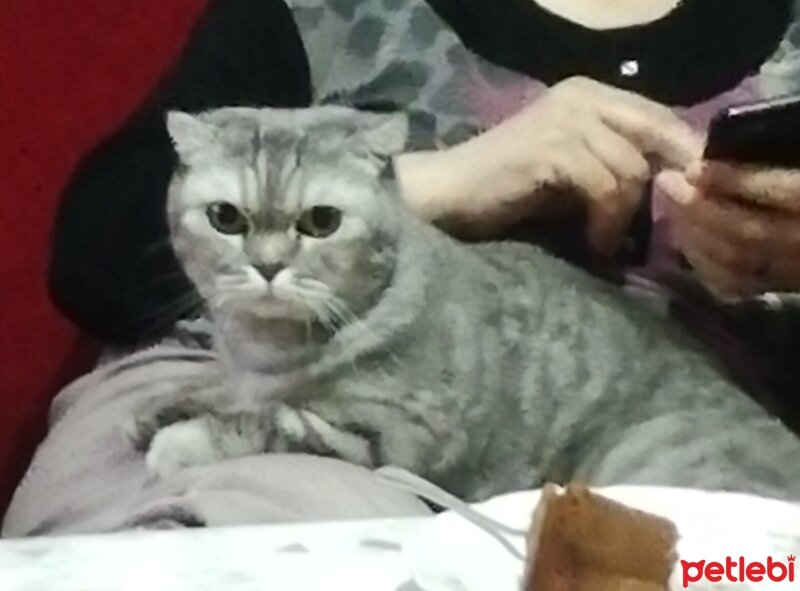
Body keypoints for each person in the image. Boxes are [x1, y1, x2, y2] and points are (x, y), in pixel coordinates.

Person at [7, 0, 800, 536]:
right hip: (280, 374)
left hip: (685, 427)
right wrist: (437, 184)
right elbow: (95, 242)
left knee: (713, 546)